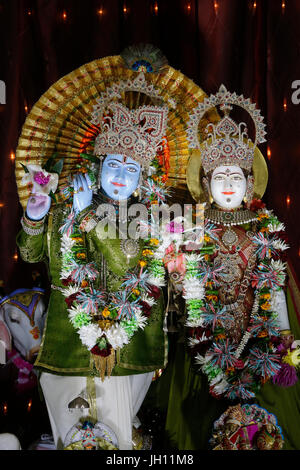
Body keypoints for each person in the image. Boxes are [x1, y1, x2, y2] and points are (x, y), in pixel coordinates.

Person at [15, 46, 216, 449]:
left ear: (144, 177)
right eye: (112, 164)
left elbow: (132, 263)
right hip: (66, 345)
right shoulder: (69, 206)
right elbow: (32, 255)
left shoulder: (155, 220)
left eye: (130, 168)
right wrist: (38, 216)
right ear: (96, 165)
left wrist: (88, 216)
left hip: (129, 351)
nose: (119, 176)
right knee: (69, 439)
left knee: (117, 441)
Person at [157, 85, 300, 450]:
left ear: (250, 183)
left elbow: (276, 286)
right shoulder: (191, 231)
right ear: (205, 185)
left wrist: (283, 337)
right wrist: (176, 269)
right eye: (219, 178)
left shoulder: (264, 228)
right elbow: (180, 291)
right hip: (204, 340)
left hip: (259, 337)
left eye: (236, 178)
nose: (228, 186)